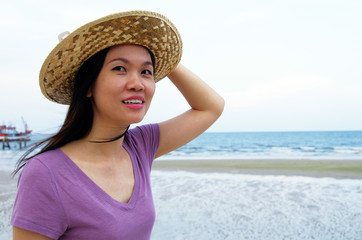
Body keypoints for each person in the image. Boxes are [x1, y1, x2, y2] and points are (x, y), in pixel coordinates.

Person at [11, 10, 224, 240]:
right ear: (88, 86)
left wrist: (163, 55)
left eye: (146, 72)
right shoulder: (46, 174)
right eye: (120, 68)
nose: (137, 84)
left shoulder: (139, 148)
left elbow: (211, 106)